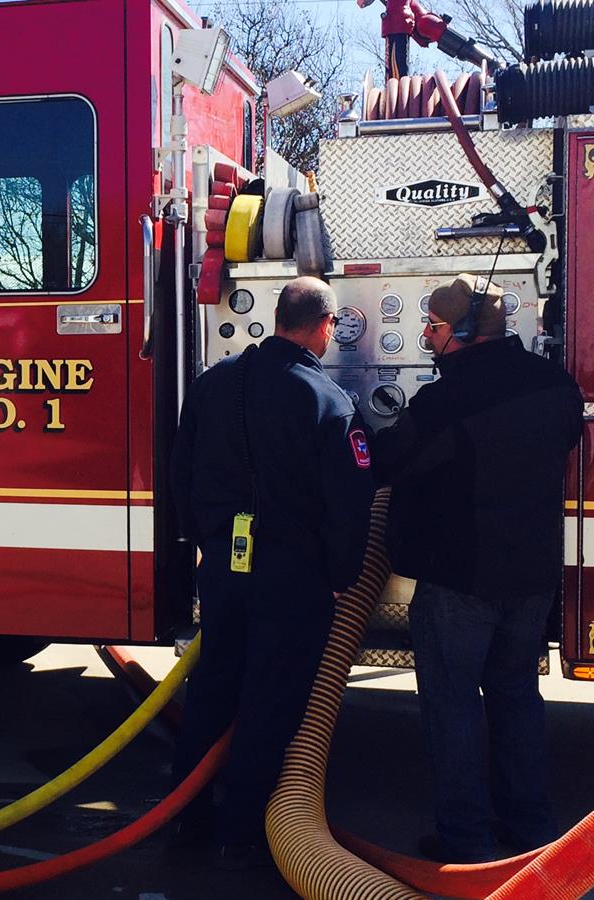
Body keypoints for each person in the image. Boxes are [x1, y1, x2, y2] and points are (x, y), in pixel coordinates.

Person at [371, 274, 582, 864]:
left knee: (454, 702)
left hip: (459, 578)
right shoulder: (556, 385)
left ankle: (467, 842)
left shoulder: (447, 400)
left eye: (433, 327)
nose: (426, 336)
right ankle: (531, 829)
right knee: (517, 695)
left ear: (460, 331)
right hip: (532, 576)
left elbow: (393, 462)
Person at [170, 276, 375, 868]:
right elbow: (351, 503)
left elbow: (180, 470)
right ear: (324, 326)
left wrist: (206, 543)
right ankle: (240, 832)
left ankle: (187, 818)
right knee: (270, 701)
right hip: (293, 579)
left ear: (278, 316)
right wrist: (342, 575)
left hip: (224, 569)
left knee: (212, 689)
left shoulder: (213, 384)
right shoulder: (329, 401)